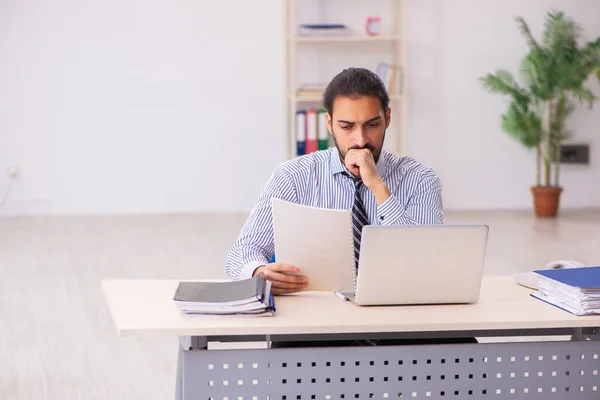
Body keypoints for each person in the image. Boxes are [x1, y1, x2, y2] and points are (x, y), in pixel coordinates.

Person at [225, 67, 443, 292]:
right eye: (347, 127)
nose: (360, 140)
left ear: (387, 119)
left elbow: (423, 262)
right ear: (329, 123)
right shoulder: (292, 177)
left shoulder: (420, 179)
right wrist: (258, 272)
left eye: (372, 125)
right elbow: (241, 252)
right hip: (317, 310)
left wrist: (378, 187)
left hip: (397, 307)